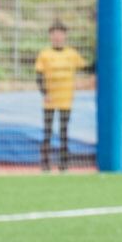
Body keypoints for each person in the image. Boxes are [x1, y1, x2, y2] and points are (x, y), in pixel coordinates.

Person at [37, 26, 81, 175]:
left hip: (66, 99)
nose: (57, 37)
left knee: (64, 132)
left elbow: (86, 68)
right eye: (54, 34)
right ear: (50, 36)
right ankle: (45, 164)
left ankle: (63, 164)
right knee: (47, 132)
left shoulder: (72, 54)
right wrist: (45, 93)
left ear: (65, 36)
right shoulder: (45, 54)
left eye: (60, 34)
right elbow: (39, 76)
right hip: (50, 100)